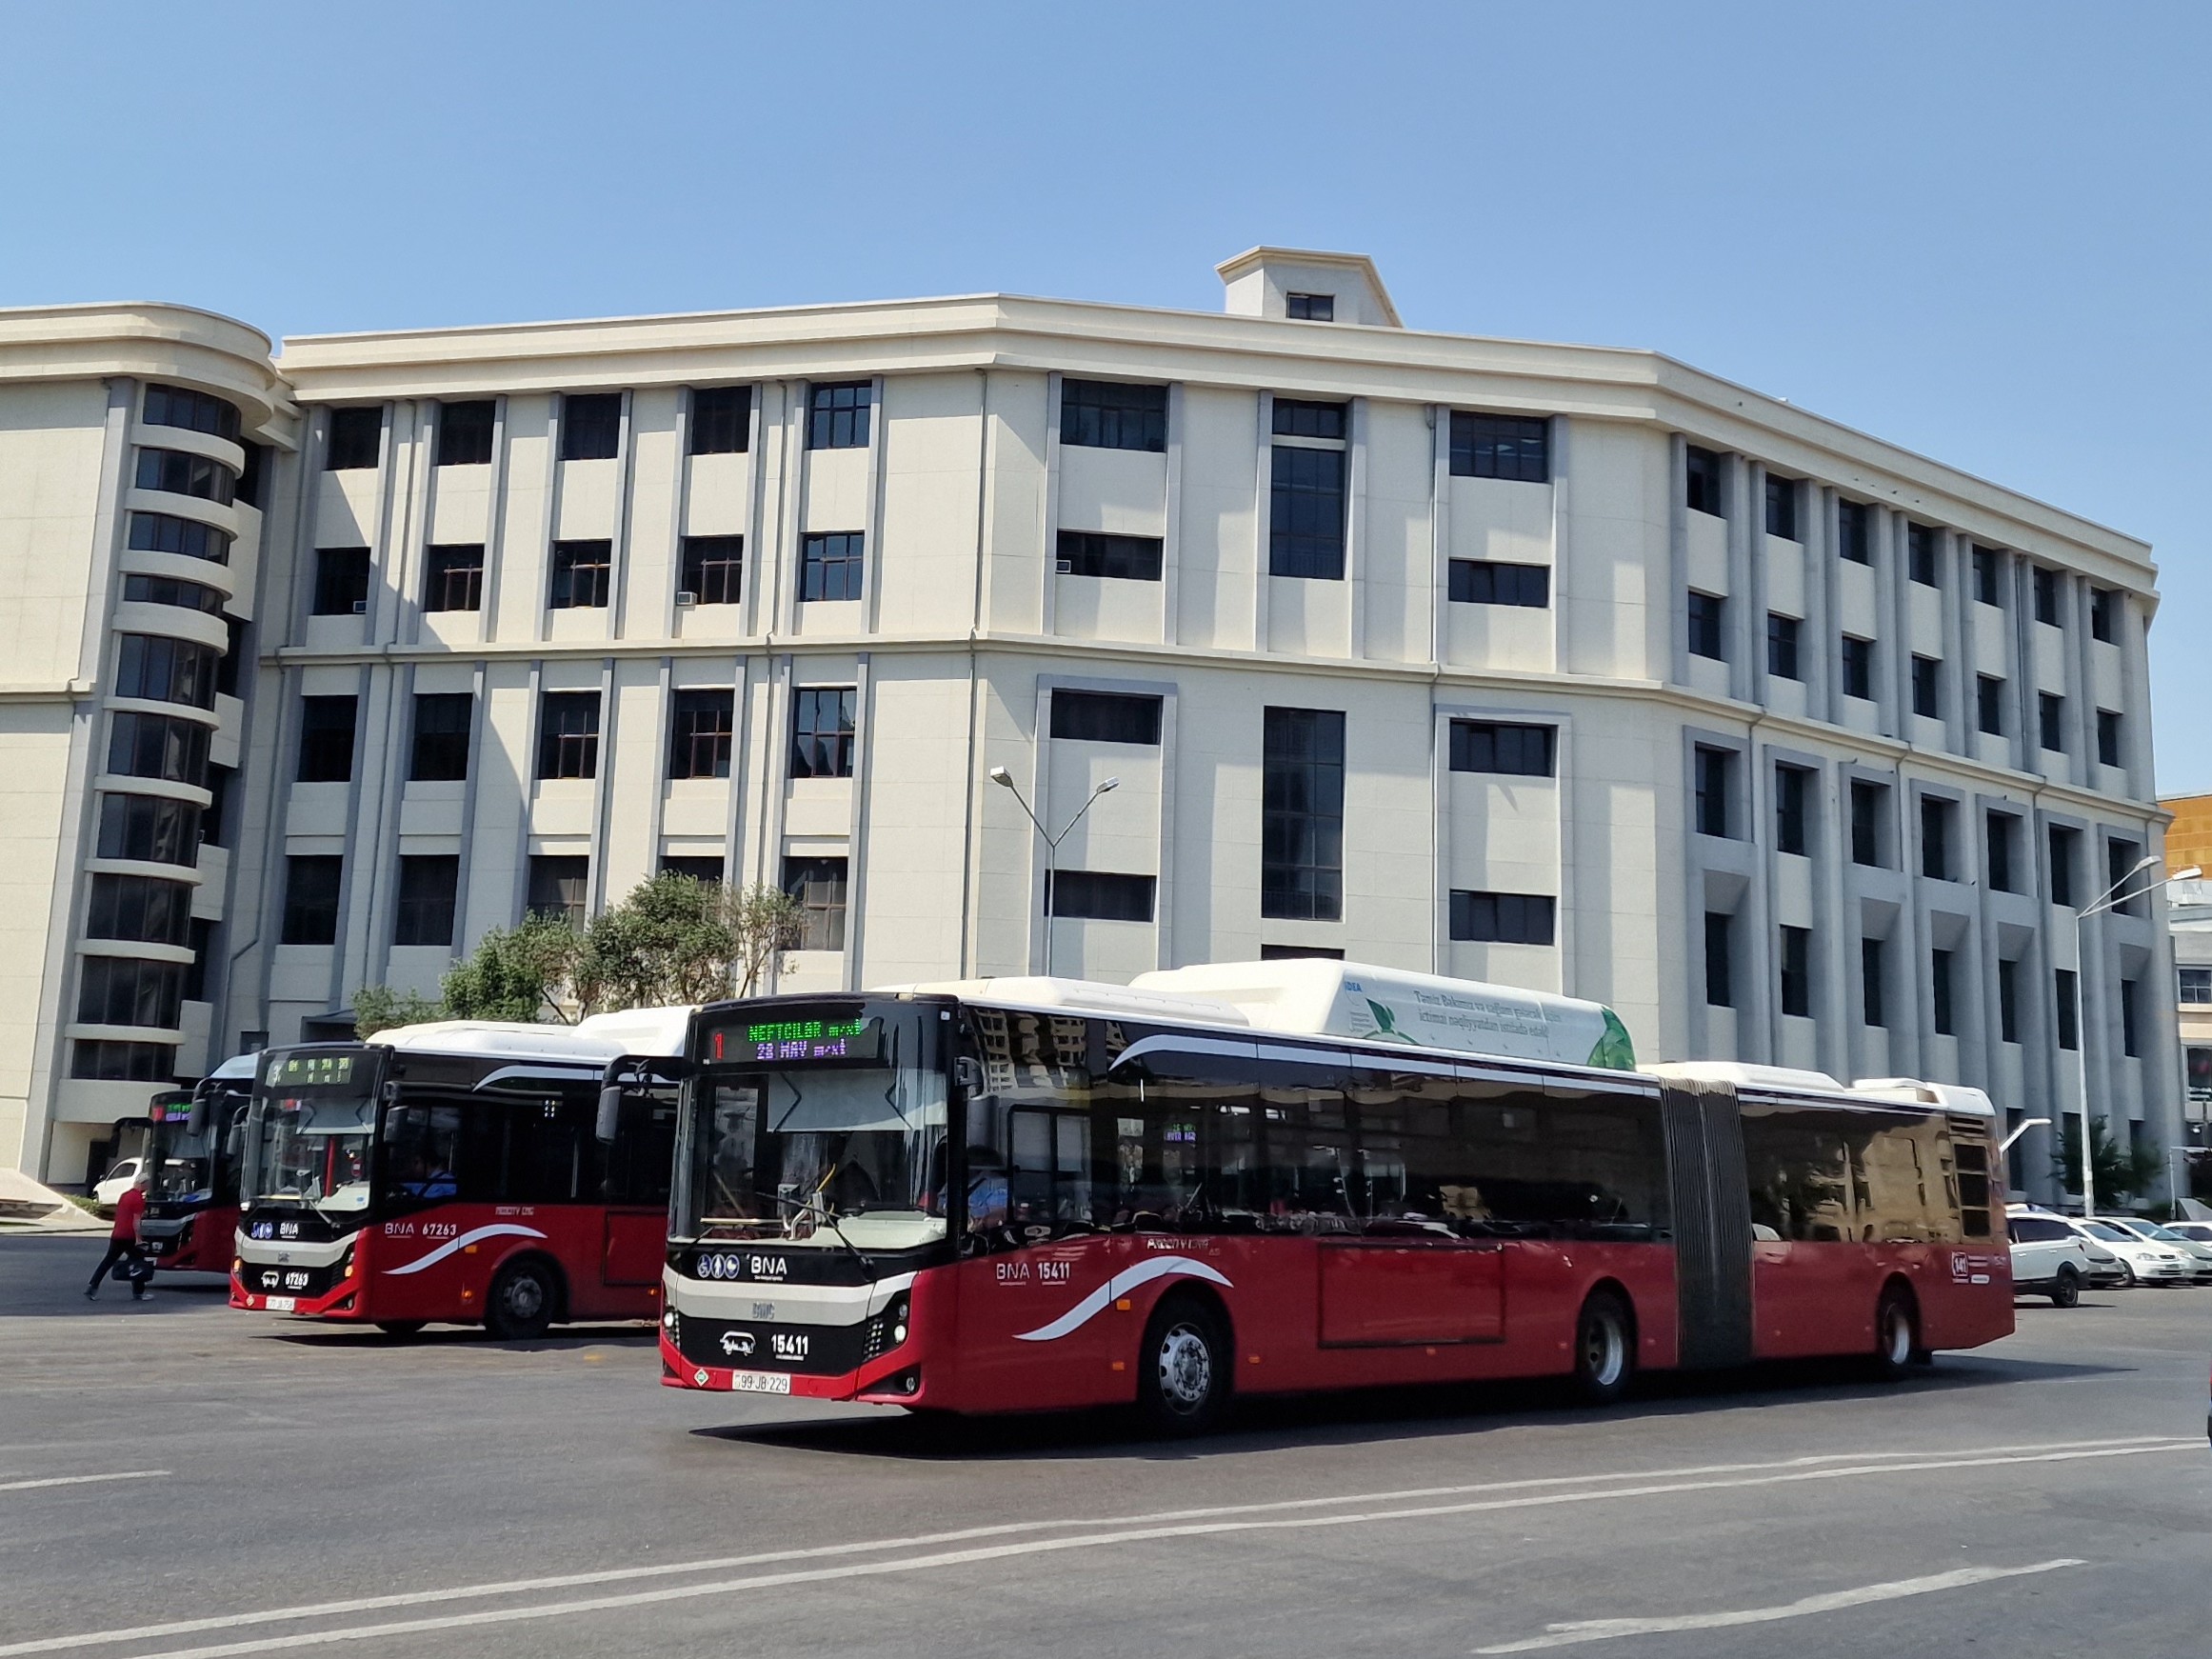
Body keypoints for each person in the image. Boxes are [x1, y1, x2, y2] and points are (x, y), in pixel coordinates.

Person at [84, 1172, 151, 1302]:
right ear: (143, 1184)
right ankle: (138, 1293)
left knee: (108, 1261)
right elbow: (136, 1221)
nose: (148, 1186)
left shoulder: (124, 1195)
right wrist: (139, 1239)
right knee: (138, 1262)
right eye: (147, 1184)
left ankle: (92, 1286)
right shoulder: (138, 1199)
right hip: (129, 1236)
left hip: (117, 1234)